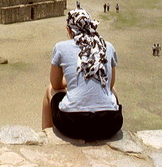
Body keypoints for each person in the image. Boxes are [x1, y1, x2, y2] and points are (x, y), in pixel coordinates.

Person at [42, 8, 123, 140]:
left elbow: (56, 85)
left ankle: (46, 136)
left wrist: (73, 81)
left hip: (72, 124)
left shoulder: (60, 47)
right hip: (110, 124)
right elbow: (109, 84)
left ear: (69, 29)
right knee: (112, 90)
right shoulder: (108, 46)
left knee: (49, 90)